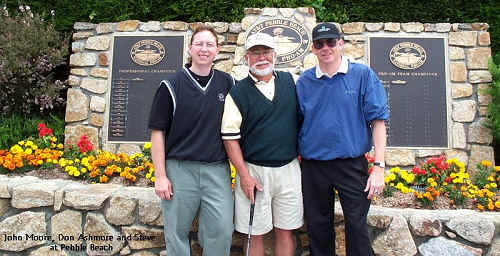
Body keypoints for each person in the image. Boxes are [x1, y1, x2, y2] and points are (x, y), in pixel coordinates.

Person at [296, 23, 389, 256]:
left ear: (341, 43)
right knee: (318, 228)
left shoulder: (362, 75)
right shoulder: (304, 83)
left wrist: (378, 167)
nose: (325, 47)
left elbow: (378, 122)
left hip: (351, 165)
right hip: (313, 167)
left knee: (357, 227)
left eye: (330, 42)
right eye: (319, 44)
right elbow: (295, 125)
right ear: (314, 49)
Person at [149, 25, 234, 256]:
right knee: (176, 233)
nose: (204, 49)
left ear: (217, 50)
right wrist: (160, 176)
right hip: (179, 170)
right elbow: (157, 132)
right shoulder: (170, 85)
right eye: (199, 44)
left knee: (223, 229)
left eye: (209, 45)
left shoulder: (228, 84)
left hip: (216, 170)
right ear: (190, 48)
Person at [221, 32, 303, 256]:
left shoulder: (292, 82)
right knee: (253, 233)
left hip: (289, 170)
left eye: (265, 52)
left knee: (285, 231)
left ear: (274, 55)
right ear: (247, 57)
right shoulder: (237, 93)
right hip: (254, 172)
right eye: (255, 53)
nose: (261, 58)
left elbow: (305, 120)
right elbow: (230, 139)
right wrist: (244, 175)